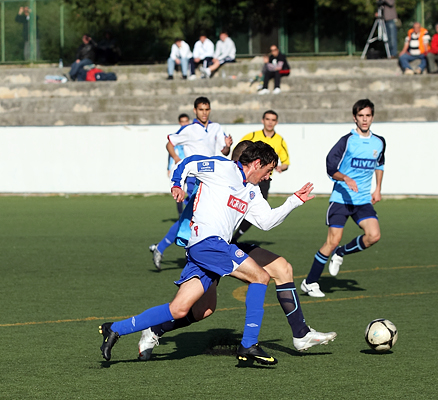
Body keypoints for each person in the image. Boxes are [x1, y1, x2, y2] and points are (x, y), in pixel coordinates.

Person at [99, 141, 316, 365]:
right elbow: (188, 163)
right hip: (207, 243)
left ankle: (115, 329)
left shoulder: (252, 192)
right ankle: (249, 344)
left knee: (182, 309)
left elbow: (267, 222)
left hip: (209, 249)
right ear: (257, 163)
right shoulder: (222, 168)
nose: (268, 177)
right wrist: (177, 184)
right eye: (268, 171)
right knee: (260, 276)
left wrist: (294, 201)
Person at [301, 99, 385, 298]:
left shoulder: (379, 142)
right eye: (361, 116)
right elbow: (331, 166)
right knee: (332, 240)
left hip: (363, 200)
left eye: (368, 116)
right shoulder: (346, 141)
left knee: (374, 235)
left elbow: (380, 164)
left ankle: (342, 253)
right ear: (354, 117)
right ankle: (310, 282)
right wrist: (345, 178)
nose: (364, 120)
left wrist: (378, 189)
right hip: (341, 198)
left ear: (372, 117)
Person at [149, 97, 233, 270]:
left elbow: (224, 152)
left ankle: (165, 248)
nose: (204, 112)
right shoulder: (189, 129)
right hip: (194, 178)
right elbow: (170, 144)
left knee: (194, 216)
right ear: (195, 110)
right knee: (193, 216)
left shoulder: (216, 127)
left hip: (212, 178)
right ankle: (186, 251)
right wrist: (176, 158)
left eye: (207, 109)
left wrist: (227, 146)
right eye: (201, 109)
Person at [232, 110, 290, 242]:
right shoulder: (252, 136)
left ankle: (235, 237)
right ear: (263, 120)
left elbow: (286, 162)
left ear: (276, 122)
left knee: (256, 209)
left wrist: (280, 167)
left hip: (263, 180)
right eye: (268, 119)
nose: (270, 122)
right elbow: (238, 152)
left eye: (273, 120)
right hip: (246, 176)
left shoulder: (279, 140)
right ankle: (229, 235)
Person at [168, 114, 191, 216]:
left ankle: (191, 214)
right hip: (180, 168)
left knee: (192, 191)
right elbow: (170, 151)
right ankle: (181, 215)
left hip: (191, 168)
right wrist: (169, 167)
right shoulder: (177, 136)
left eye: (186, 121)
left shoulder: (192, 135)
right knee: (178, 191)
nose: (184, 124)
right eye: (182, 122)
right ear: (179, 123)